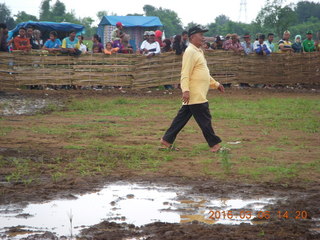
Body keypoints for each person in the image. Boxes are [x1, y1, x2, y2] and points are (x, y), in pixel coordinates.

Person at [160, 25, 225, 153]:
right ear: (192, 37)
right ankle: (215, 146)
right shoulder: (190, 52)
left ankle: (166, 141)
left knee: (181, 119)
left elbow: (203, 72)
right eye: (201, 35)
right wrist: (185, 90)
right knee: (205, 120)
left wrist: (216, 84)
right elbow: (185, 73)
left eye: (203, 35)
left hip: (195, 93)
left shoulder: (198, 51)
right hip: (194, 94)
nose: (203, 37)